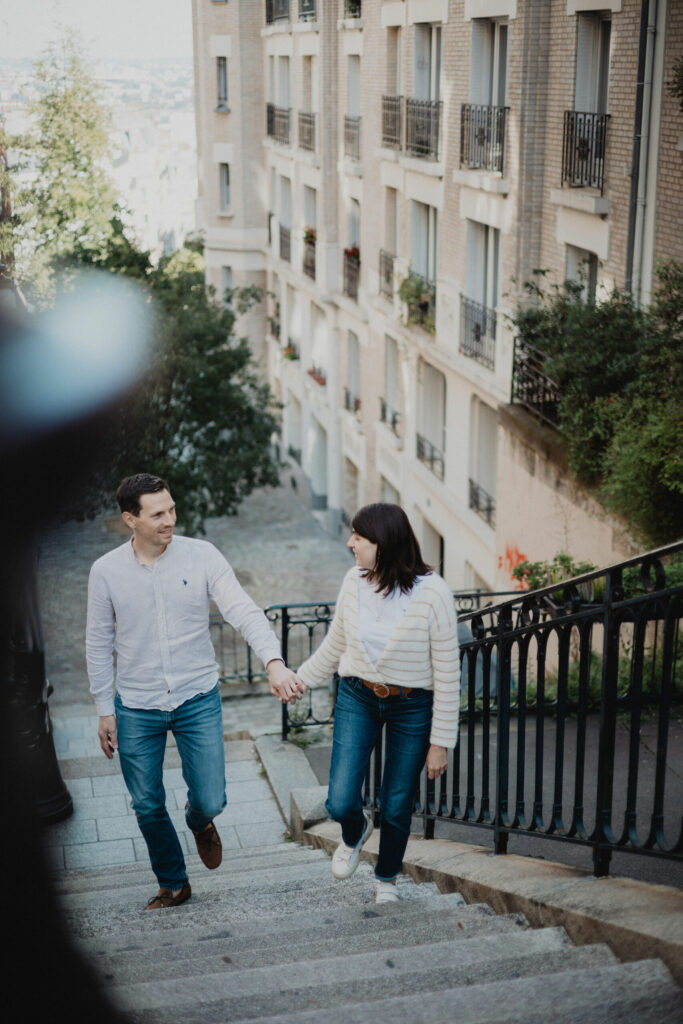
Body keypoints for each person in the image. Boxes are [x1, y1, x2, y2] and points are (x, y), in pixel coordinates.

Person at [86, 473, 304, 910]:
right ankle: (173, 881)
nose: (170, 519)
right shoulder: (105, 572)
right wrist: (103, 708)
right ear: (131, 519)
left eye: (171, 509)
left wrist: (274, 662)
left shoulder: (201, 555)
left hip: (197, 698)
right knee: (146, 804)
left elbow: (242, 610)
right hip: (136, 705)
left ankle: (199, 821)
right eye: (158, 513)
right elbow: (97, 641)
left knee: (211, 797)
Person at [297, 503, 460, 904]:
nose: (350, 542)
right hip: (357, 694)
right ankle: (354, 834)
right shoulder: (354, 581)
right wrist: (298, 681)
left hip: (412, 705)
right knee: (339, 799)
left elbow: (447, 673)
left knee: (397, 800)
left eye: (359, 536)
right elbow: (337, 643)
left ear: (383, 544)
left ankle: (386, 880)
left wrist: (441, 743)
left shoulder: (434, 593)